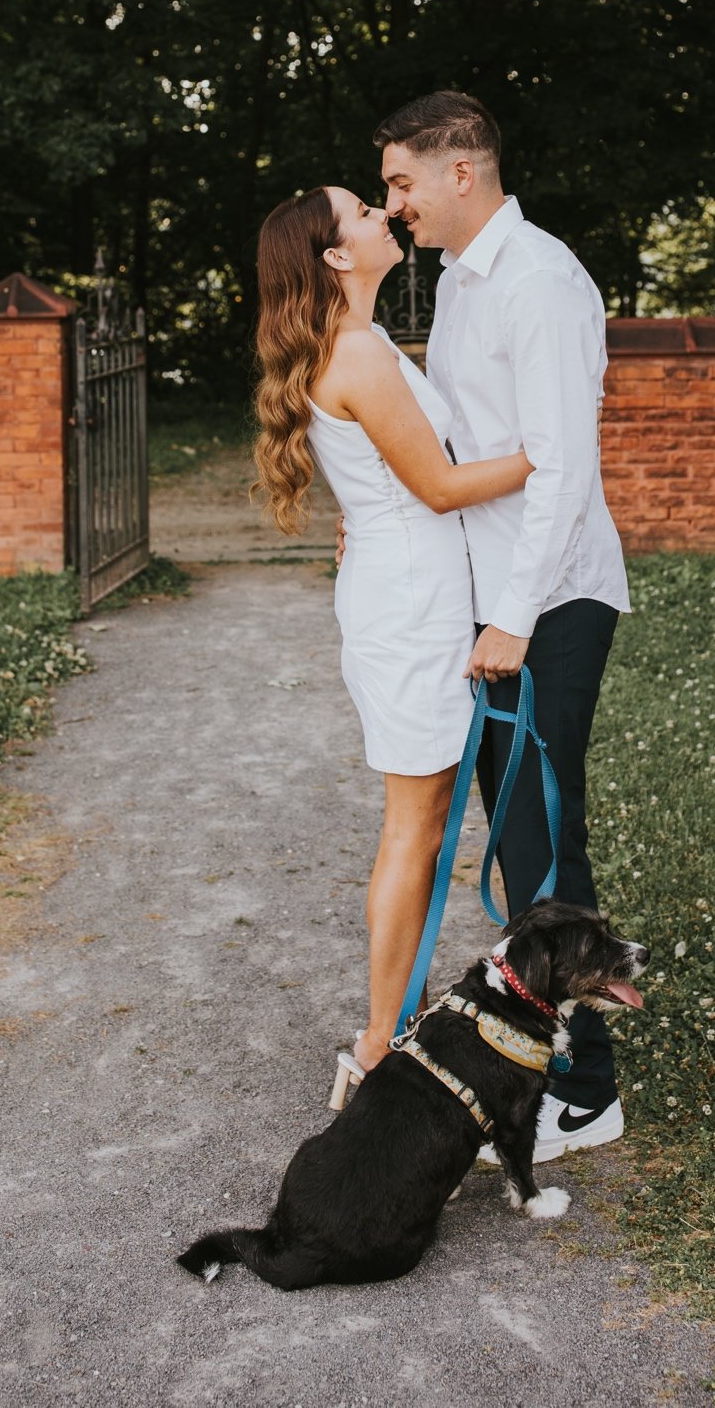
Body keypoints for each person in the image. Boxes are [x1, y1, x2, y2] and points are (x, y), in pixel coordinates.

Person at [375, 90, 631, 1161]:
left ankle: (586, 1089)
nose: (395, 206)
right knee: (519, 834)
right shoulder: (465, 283)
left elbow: (564, 468)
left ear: (460, 171)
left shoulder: (541, 282)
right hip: (492, 604)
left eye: (401, 183)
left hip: (552, 603)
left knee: (539, 836)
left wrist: (516, 620)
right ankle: (546, 1057)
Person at [251, 184, 533, 1101]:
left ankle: (388, 1032)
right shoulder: (361, 355)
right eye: (363, 214)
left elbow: (388, 481)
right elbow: (444, 488)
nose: (383, 215)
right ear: (337, 256)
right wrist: (551, 453)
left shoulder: (358, 347)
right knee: (415, 829)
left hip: (401, 590)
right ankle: (378, 1049)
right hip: (410, 609)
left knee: (423, 815)